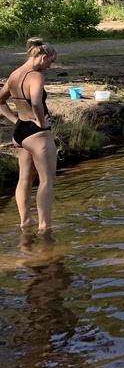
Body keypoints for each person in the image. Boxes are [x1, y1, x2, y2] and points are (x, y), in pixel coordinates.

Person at [0, 38, 58, 230]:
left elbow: (0, 101)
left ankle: (25, 221)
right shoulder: (36, 76)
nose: (49, 66)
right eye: (50, 62)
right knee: (46, 180)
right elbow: (35, 102)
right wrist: (41, 123)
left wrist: (16, 120)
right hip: (37, 135)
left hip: (20, 133)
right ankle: (44, 225)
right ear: (43, 57)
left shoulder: (14, 75)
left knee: (25, 178)